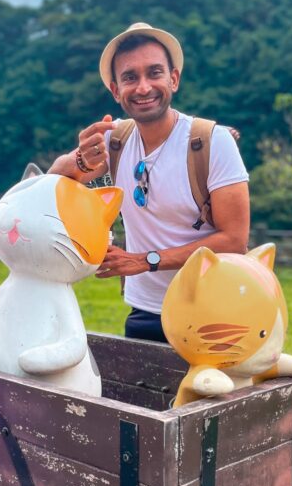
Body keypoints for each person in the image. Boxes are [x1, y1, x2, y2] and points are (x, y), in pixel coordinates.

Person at [49, 22, 250, 342]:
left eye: (154, 73)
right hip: (143, 311)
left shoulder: (211, 141)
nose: (143, 87)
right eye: (130, 77)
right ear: (116, 91)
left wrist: (144, 261)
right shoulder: (115, 139)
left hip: (213, 311)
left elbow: (234, 240)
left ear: (174, 78)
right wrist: (81, 160)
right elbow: (54, 181)